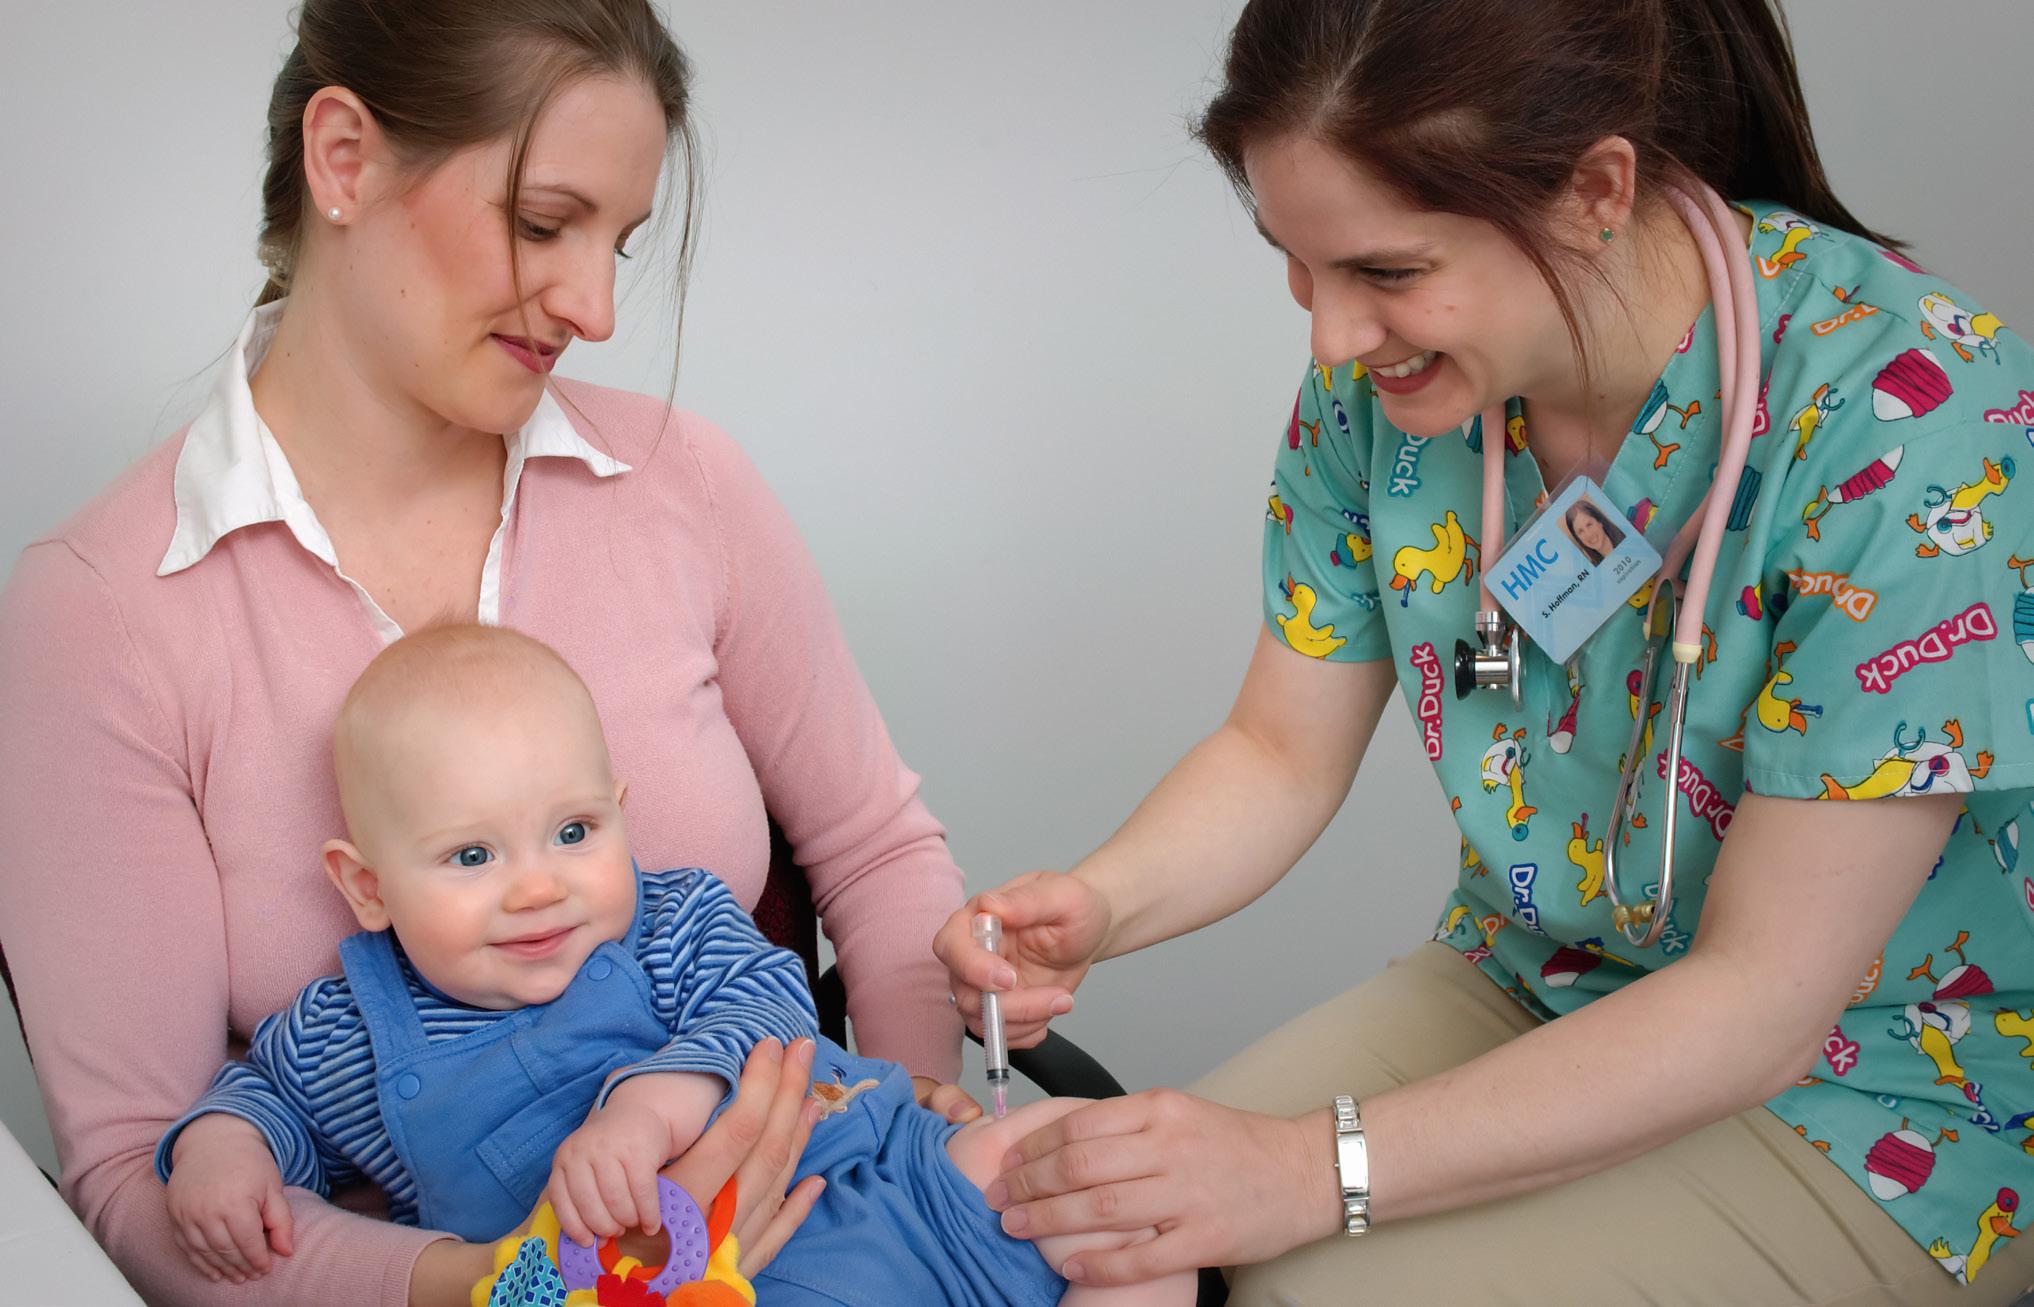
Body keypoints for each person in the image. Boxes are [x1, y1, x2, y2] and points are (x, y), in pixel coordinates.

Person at [937, 1, 2034, 1302]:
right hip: (1529, 980)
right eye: (1299, 263)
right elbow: (1278, 749)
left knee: (1284, 1287)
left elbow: (1760, 999)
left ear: (1594, 192)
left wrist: (1303, 1170)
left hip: (1882, 1090)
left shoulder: (1913, 428)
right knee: (1063, 1228)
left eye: (1387, 271)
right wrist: (1103, 902)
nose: (1332, 336)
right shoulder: (1390, 391)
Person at [0, 4, 971, 1303]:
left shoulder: (682, 482)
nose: (596, 308)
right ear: (343, 159)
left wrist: (915, 1134)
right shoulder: (100, 615)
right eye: (542, 221)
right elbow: (138, 1174)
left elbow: (876, 851)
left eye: (620, 242)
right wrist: (522, 1283)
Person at [158, 625, 1196, 1307]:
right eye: (472, 856)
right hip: (705, 1282)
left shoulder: (672, 917)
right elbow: (261, 1096)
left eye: (573, 830)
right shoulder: (345, 1030)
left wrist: (652, 1106)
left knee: (1122, 1176)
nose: (539, 886)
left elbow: (770, 1002)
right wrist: (222, 1153)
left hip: (888, 1168)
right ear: (367, 885)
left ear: (620, 811)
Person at [1562, 498, 1624, 566]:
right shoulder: (1592, 569)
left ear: (1600, 521)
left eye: (1589, 525)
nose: (1588, 534)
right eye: (1580, 531)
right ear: (1578, 538)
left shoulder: (1628, 536)